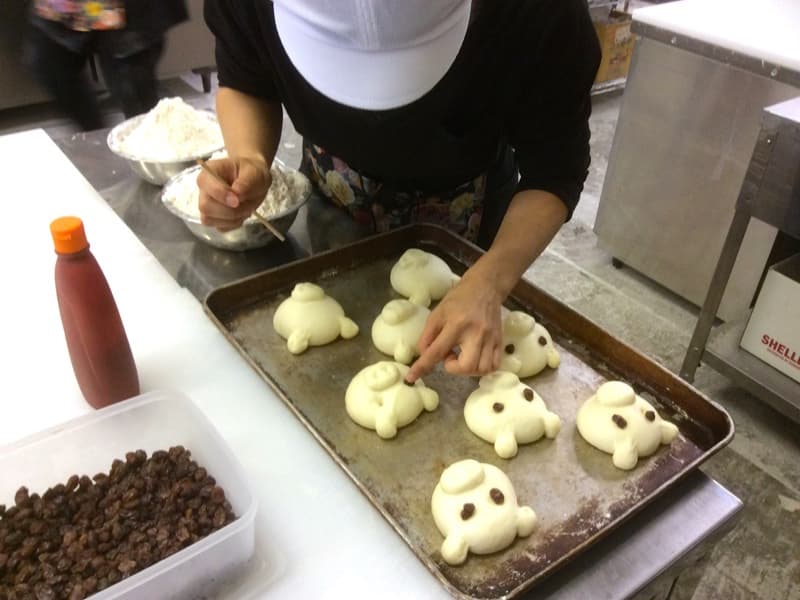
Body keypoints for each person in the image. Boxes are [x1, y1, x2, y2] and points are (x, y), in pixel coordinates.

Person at [199, 0, 601, 382]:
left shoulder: (540, 12)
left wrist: (490, 279)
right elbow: (247, 79)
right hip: (331, 198)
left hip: (465, 206)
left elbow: (554, 170)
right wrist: (250, 157)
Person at [25, 0, 188, 131]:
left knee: (135, 96)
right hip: (67, 7)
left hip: (126, 12)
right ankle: (96, 141)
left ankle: (158, 157)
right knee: (50, 65)